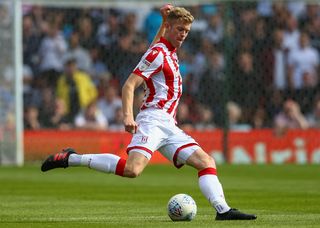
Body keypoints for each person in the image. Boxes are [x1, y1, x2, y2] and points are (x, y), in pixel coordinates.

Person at [41, 5, 257, 221]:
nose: (183, 35)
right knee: (132, 170)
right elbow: (129, 85)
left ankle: (223, 210)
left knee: (206, 162)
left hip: (169, 125)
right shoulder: (159, 54)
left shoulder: (167, 52)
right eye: (180, 29)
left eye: (187, 31)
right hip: (152, 120)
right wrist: (127, 115)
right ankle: (72, 158)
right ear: (171, 28)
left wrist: (164, 22)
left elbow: (155, 46)